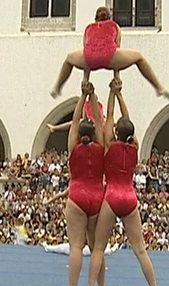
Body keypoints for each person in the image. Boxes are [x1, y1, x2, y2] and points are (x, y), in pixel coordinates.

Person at [88, 78, 157, 286]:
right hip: (129, 196)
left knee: (99, 247)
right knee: (141, 249)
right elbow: (127, 120)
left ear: (117, 132)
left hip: (112, 195)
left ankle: (92, 284)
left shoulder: (109, 145)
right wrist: (119, 94)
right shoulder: (134, 146)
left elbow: (108, 117)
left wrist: (111, 94)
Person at [50, 6, 169, 99]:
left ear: (95, 19)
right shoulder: (115, 26)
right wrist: (116, 77)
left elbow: (86, 48)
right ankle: (158, 87)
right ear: (109, 17)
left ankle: (58, 87)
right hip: (110, 56)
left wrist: (85, 79)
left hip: (90, 58)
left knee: (69, 58)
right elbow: (117, 48)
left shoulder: (89, 28)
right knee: (139, 56)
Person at [65, 81, 106, 286]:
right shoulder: (101, 147)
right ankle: (100, 285)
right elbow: (100, 125)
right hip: (97, 197)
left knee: (75, 247)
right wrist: (93, 99)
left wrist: (82, 96)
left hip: (77, 195)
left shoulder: (74, 147)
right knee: (97, 248)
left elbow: (73, 123)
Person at [42, 241, 116, 256]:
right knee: (62, 247)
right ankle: (48, 247)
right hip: (81, 248)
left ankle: (48, 247)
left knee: (63, 248)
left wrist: (114, 247)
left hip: (83, 249)